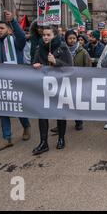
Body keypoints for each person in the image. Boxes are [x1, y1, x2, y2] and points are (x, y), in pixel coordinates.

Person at [0, 11, 32, 152]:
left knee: (18, 108)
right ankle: (7, 138)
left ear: (9, 30)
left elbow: (22, 37)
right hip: (0, 83)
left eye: (2, 28)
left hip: (15, 81)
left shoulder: (15, 42)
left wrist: (13, 21)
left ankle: (26, 126)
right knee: (3, 109)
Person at [32, 26, 73, 155]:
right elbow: (34, 64)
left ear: (54, 36)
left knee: (59, 113)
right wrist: (35, 66)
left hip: (59, 86)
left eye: (48, 35)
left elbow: (70, 68)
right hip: (43, 86)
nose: (45, 37)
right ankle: (43, 142)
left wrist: (56, 61)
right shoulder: (39, 49)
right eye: (44, 35)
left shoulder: (63, 48)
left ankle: (61, 138)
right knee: (42, 114)